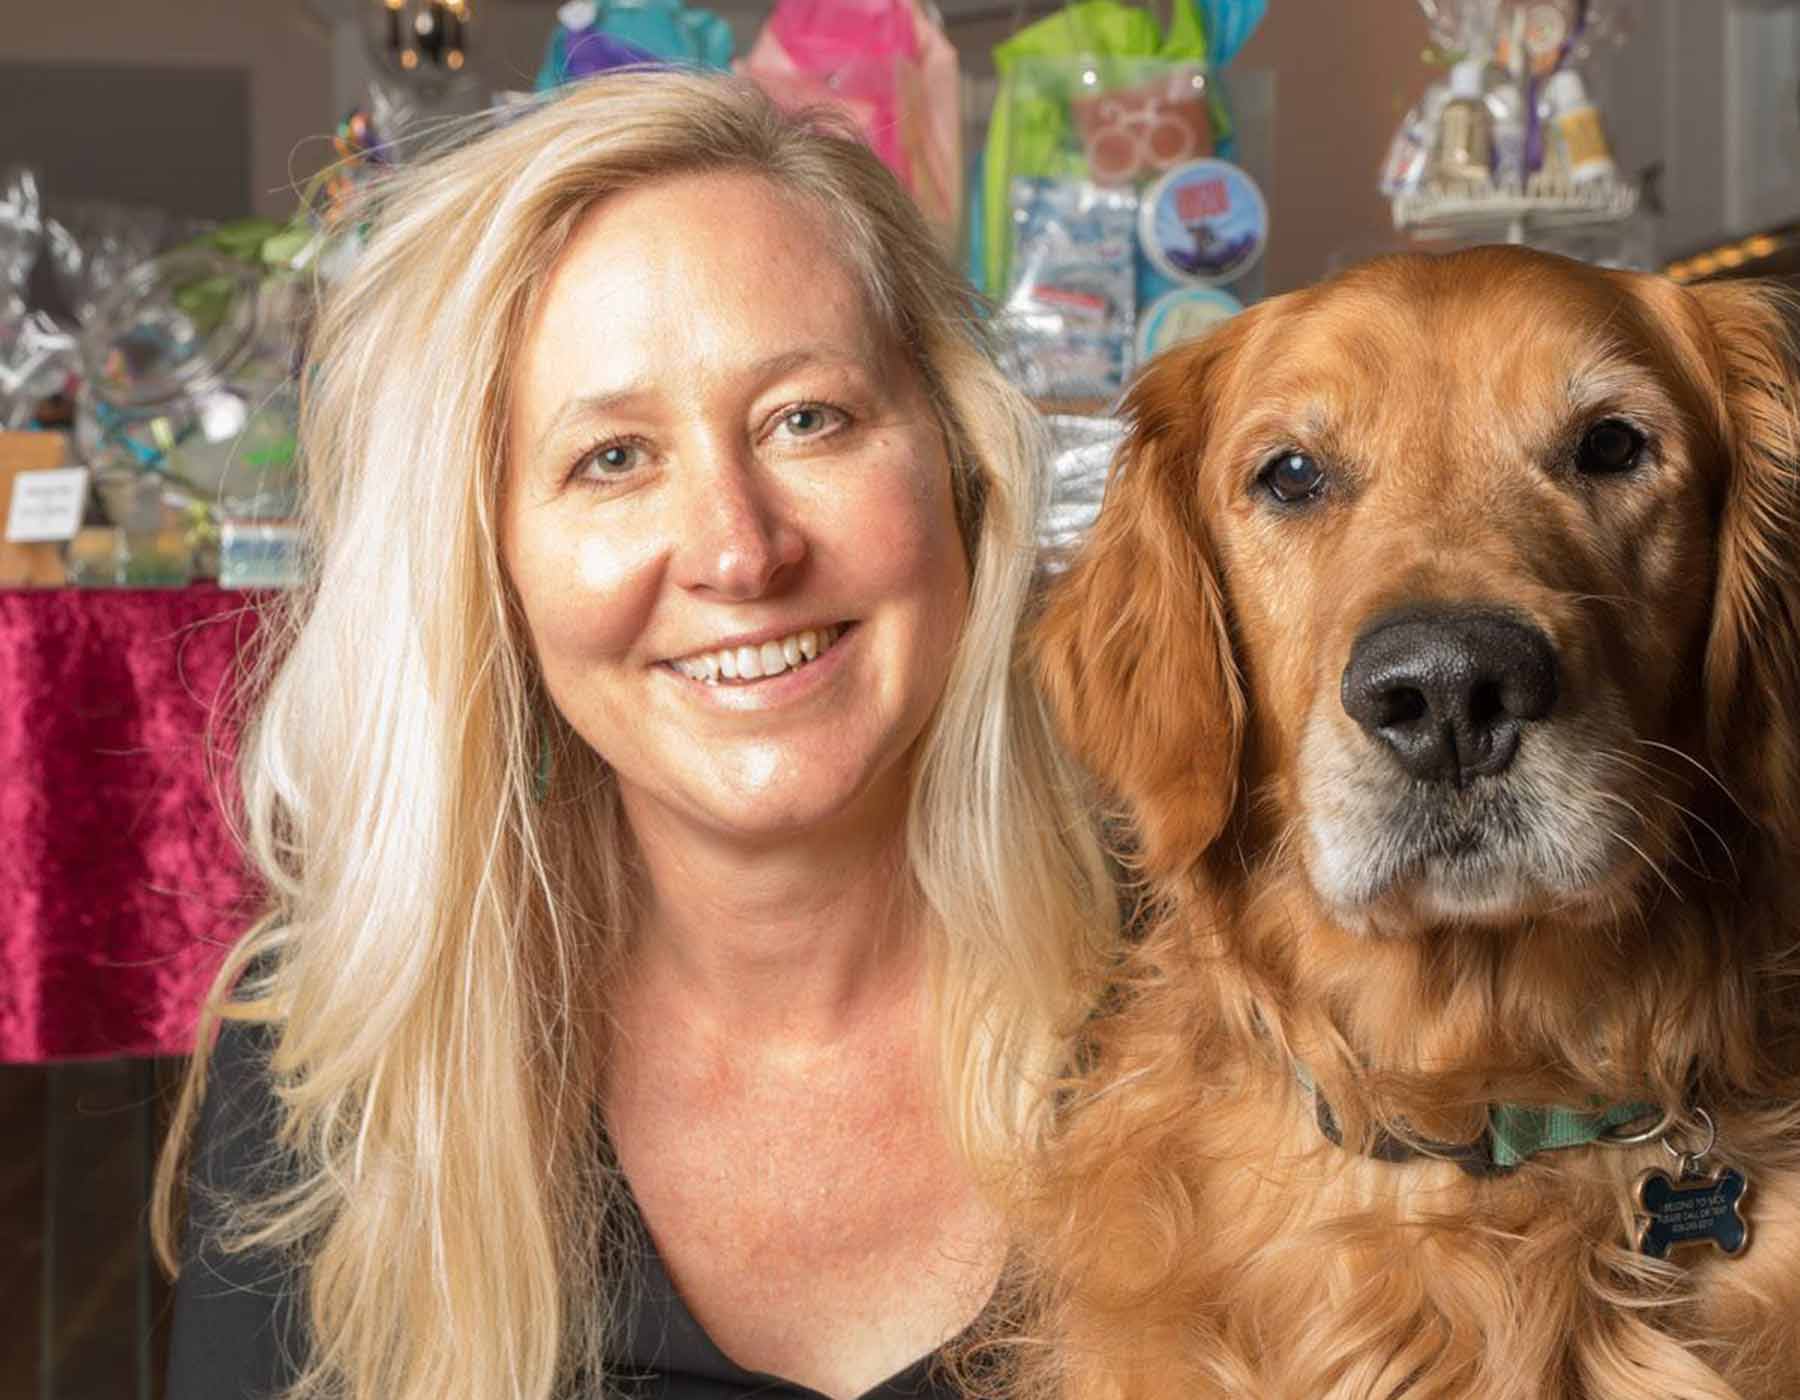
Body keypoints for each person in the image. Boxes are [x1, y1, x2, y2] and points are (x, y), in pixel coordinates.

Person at [151, 71, 1121, 1400]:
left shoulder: (1239, 996)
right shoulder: (342, 1080)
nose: (740, 549)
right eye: (612, 458)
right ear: (485, 571)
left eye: (806, 418)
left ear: (959, 464)